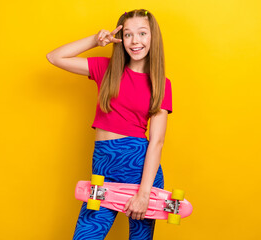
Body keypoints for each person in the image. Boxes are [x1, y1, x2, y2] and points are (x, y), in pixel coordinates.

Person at [46, 8, 172, 240]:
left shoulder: (161, 84)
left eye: (143, 33)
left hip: (138, 167)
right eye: (128, 35)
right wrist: (95, 40)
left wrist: (144, 194)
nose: (135, 41)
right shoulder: (106, 69)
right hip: (102, 166)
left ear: (153, 37)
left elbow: (157, 142)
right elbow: (55, 57)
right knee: (85, 236)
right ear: (120, 39)